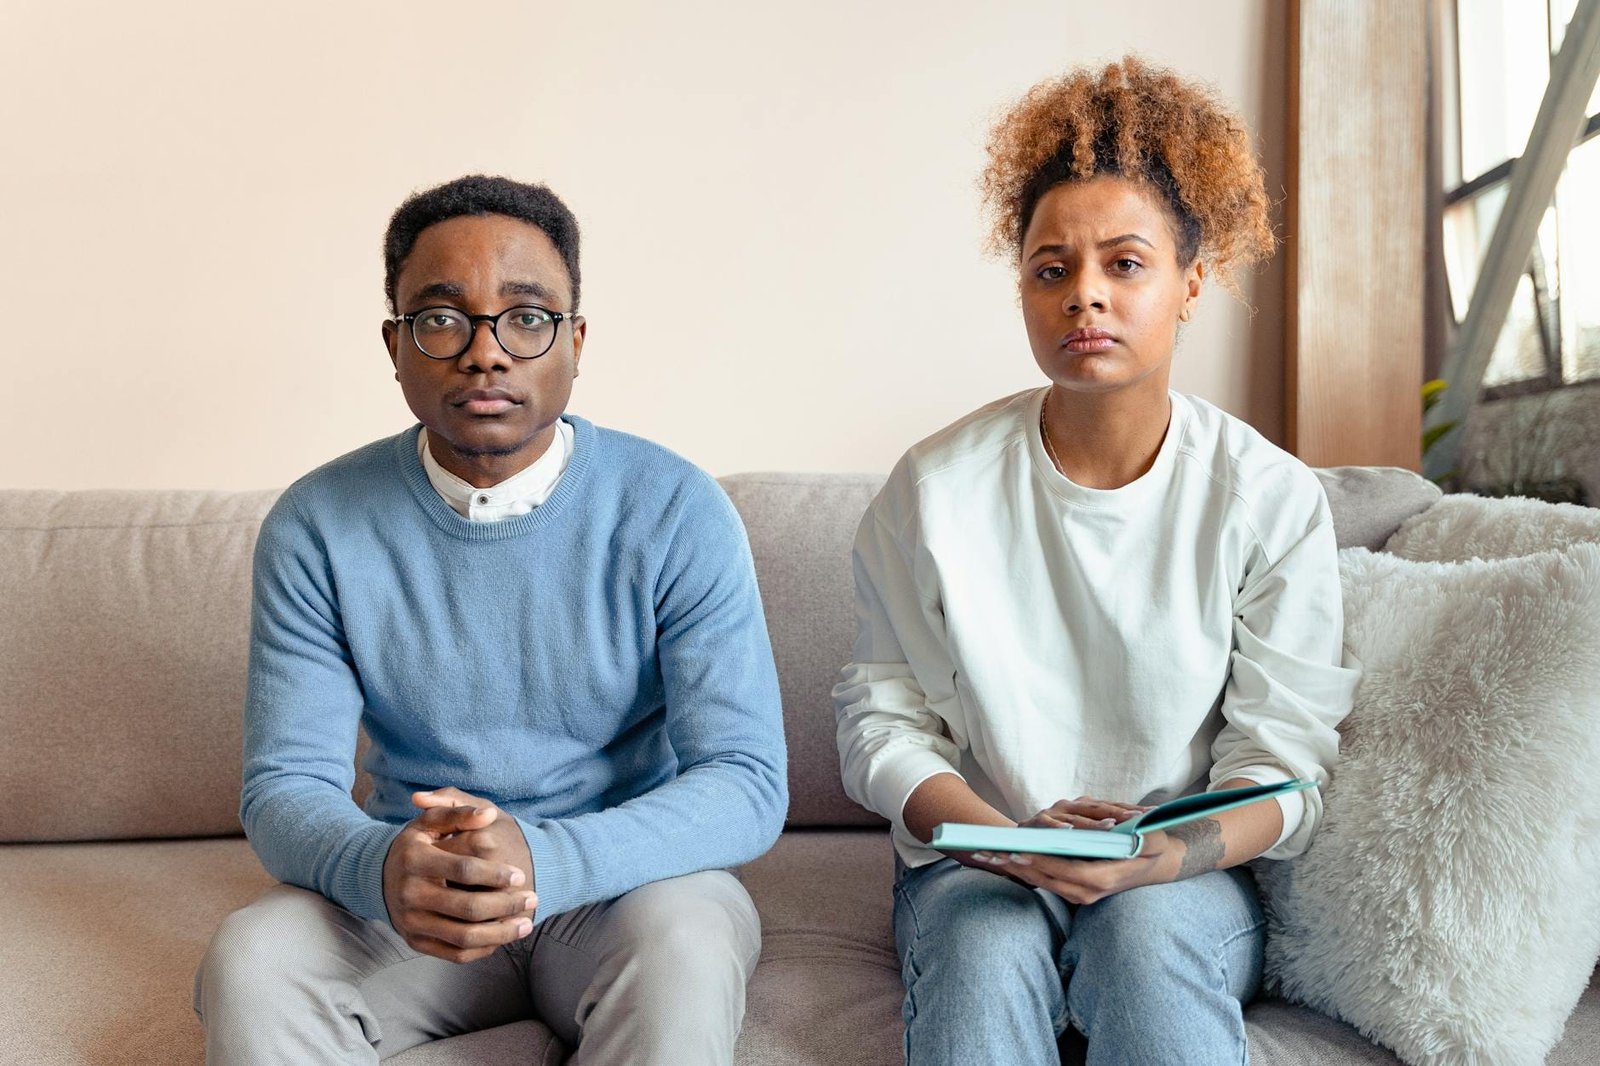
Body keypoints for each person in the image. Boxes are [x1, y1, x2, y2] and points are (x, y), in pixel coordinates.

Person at [833, 57, 1359, 1066]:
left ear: (1192, 280)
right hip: (975, 858)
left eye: (1125, 263)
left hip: (1185, 879)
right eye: (1050, 268)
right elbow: (880, 723)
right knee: (984, 948)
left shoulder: (1268, 497)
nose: (1084, 297)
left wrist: (1164, 854)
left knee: (1141, 937)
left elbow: (1285, 768)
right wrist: (1004, 838)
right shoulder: (934, 490)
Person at [194, 175, 787, 1066]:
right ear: (394, 346)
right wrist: (383, 869)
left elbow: (744, 781)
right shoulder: (317, 524)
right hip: (412, 895)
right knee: (251, 959)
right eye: (441, 319)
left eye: (526, 317)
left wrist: (546, 858)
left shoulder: (676, 509)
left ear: (576, 342)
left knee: (686, 943)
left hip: (619, 892)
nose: (486, 354)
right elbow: (285, 789)